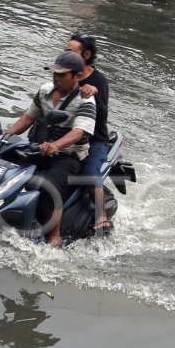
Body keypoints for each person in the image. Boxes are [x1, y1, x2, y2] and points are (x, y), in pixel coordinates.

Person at [2, 51, 97, 246]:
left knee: (49, 187)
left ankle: (55, 236)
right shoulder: (45, 90)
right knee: (4, 170)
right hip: (38, 148)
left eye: (62, 75)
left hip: (68, 155)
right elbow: (28, 117)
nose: (57, 78)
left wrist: (56, 145)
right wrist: (5, 136)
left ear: (77, 76)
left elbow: (79, 132)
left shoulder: (85, 100)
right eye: (55, 74)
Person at [65, 33, 113, 235]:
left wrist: (95, 93)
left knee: (89, 175)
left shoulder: (98, 80)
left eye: (70, 51)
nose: (65, 54)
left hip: (94, 139)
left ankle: (101, 215)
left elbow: (102, 115)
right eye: (65, 50)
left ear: (86, 55)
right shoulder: (65, 74)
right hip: (67, 133)